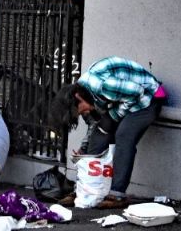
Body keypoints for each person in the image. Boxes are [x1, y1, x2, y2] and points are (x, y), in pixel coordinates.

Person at [48, 56, 168, 209]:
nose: (81, 113)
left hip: (148, 98)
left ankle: (118, 195)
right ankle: (85, 190)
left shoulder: (104, 86)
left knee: (124, 135)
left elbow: (137, 92)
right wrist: (85, 151)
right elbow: (94, 125)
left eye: (79, 110)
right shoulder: (84, 95)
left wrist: (114, 116)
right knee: (100, 134)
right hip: (126, 101)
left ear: (78, 97)